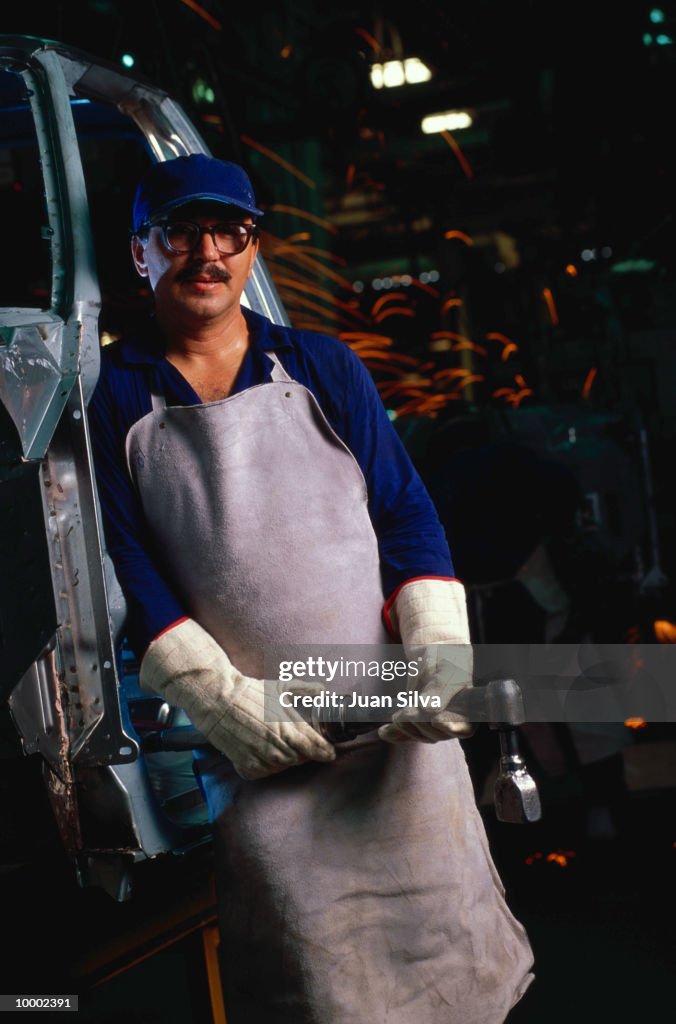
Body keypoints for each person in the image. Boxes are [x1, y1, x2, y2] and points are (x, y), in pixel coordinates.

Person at [88, 153, 533, 1023]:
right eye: (181, 231)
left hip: (397, 743)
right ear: (141, 252)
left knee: (456, 973)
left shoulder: (322, 366)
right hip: (264, 754)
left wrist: (438, 653)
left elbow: (405, 515)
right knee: (315, 986)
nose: (207, 252)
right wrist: (219, 703)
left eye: (231, 232)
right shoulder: (113, 400)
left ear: (254, 248)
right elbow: (126, 565)